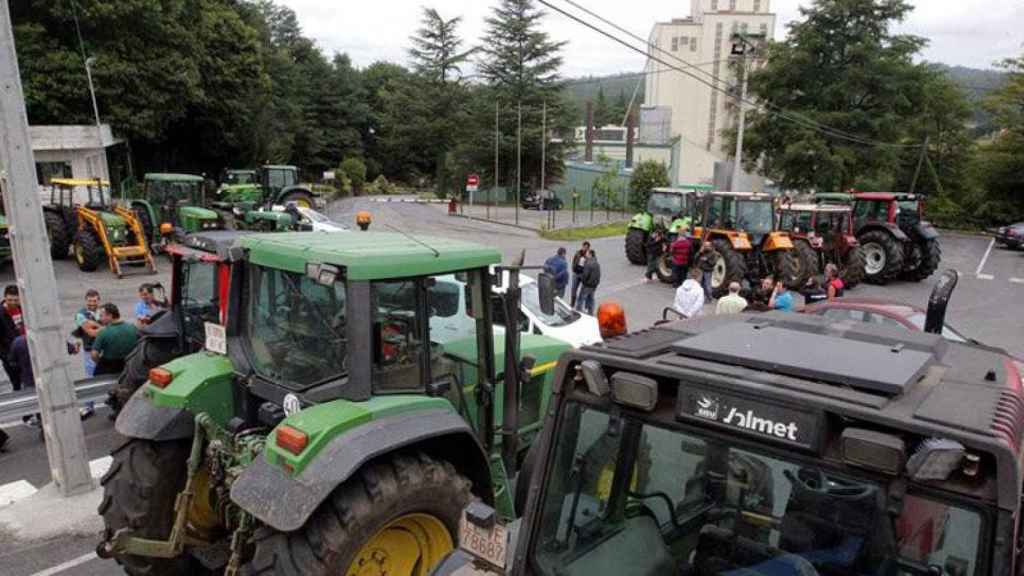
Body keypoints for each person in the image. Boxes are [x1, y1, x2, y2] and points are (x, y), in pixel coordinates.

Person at [92, 304, 139, 376]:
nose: (99, 319)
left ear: (110, 316)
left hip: (109, 369)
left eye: (101, 315)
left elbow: (94, 354)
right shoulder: (133, 328)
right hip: (130, 367)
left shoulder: (104, 332)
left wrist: (99, 362)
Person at [0, 285, 25, 389]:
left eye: (16, 300)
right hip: (10, 357)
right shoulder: (1, 314)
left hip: (24, 352)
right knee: (17, 384)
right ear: (4, 297)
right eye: (10, 300)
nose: (13, 303)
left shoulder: (23, 308)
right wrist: (6, 357)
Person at [73, 289, 102, 377]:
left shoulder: (103, 311)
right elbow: (91, 333)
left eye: (94, 301)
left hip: (104, 349)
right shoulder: (80, 315)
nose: (92, 303)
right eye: (89, 301)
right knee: (92, 376)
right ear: (86, 300)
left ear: (99, 300)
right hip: (90, 349)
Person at [576, 250, 601, 315]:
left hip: (587, 285)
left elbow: (585, 275)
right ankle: (590, 313)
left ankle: (578, 312)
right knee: (591, 299)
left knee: (581, 299)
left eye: (587, 254)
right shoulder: (596, 263)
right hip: (594, 285)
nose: (586, 255)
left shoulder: (588, 263)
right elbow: (598, 274)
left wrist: (582, 280)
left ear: (590, 255)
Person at [570, 241, 591, 307]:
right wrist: (573, 268)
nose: (585, 248)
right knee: (573, 289)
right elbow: (574, 261)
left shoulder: (589, 255)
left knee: (584, 291)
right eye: (584, 247)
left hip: (583, 275)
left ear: (588, 248)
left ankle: (581, 305)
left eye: (586, 247)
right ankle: (572, 303)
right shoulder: (578, 253)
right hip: (576, 273)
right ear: (582, 246)